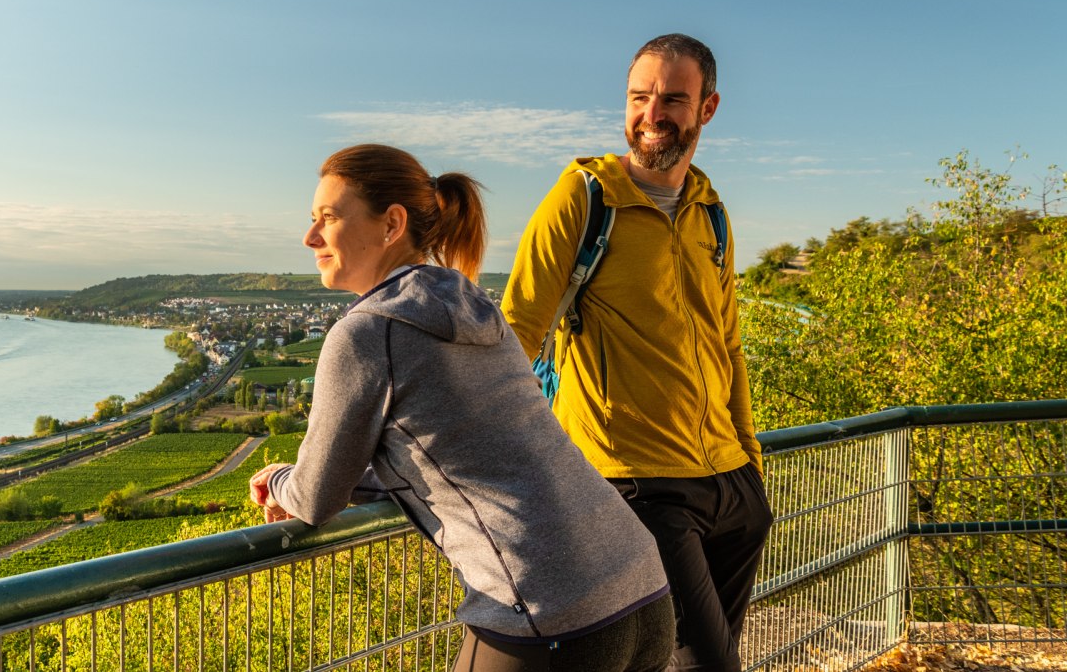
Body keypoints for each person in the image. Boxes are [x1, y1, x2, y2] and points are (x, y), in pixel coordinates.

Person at [249, 144, 673, 672]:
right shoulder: (477, 309)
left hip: (548, 610)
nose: (310, 237)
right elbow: (461, 456)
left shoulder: (364, 333)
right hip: (642, 584)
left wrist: (278, 479)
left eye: (328, 218)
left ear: (391, 224)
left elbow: (313, 497)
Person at [500, 34, 772, 672]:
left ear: (707, 108)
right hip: (638, 486)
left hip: (731, 484)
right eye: (640, 96)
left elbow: (726, 343)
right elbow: (514, 334)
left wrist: (750, 468)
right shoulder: (583, 197)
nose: (653, 113)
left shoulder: (712, 213)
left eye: (674, 98)